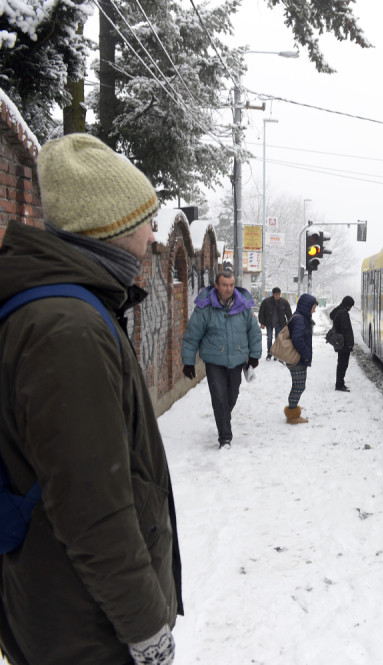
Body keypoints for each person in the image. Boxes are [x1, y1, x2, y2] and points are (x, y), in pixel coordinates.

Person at [0, 133, 181, 665]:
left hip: (65, 605)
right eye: (146, 220)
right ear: (112, 229)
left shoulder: (65, 308)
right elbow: (91, 507)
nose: (153, 236)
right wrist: (145, 627)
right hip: (85, 627)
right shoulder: (67, 329)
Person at [181, 269, 262, 448]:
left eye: (231, 285)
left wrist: (254, 356)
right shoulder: (205, 307)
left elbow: (254, 332)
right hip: (214, 361)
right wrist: (188, 361)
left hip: (237, 359)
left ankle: (223, 417)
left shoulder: (243, 307)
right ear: (216, 285)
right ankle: (225, 437)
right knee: (219, 397)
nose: (228, 289)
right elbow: (192, 334)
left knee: (232, 396)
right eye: (224, 285)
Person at [284, 294, 317, 424]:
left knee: (298, 385)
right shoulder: (299, 319)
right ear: (307, 306)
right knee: (298, 386)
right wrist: (306, 355)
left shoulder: (301, 318)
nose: (314, 310)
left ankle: (292, 412)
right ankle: (292, 415)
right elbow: (297, 339)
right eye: (313, 307)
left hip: (298, 358)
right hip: (297, 358)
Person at [329, 296, 356, 392]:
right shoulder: (343, 313)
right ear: (347, 304)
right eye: (350, 306)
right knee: (343, 364)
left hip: (339, 341)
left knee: (341, 363)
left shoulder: (338, 310)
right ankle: (339, 385)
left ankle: (340, 383)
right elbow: (346, 330)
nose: (351, 308)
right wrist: (350, 344)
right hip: (344, 342)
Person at [258, 287, 292, 360]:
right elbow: (261, 312)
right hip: (269, 323)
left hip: (280, 323)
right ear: (273, 294)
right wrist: (262, 323)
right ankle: (269, 354)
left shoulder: (284, 302)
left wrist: (290, 322)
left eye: (278, 294)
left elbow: (288, 313)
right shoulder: (266, 302)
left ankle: (276, 354)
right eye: (276, 294)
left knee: (278, 339)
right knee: (269, 338)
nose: (277, 296)